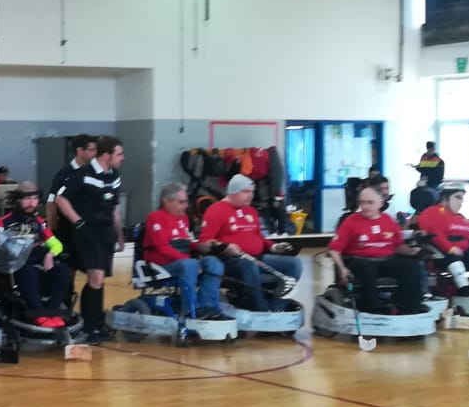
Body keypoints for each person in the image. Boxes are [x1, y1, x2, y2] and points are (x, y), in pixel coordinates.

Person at [50, 133, 125, 343]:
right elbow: (60, 199)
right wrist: (78, 221)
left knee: (99, 281)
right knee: (96, 277)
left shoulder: (114, 176)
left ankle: (96, 323)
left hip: (106, 232)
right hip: (87, 232)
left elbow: (115, 208)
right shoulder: (82, 174)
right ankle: (88, 325)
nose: (122, 158)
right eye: (119, 154)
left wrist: (120, 235)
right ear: (107, 155)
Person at [198, 174, 302, 312]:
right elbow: (204, 243)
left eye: (252, 192)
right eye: (246, 192)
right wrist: (224, 247)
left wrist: (274, 246)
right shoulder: (215, 210)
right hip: (231, 261)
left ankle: (277, 307)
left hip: (256, 258)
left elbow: (259, 237)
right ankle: (261, 308)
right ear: (233, 192)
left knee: (295, 264)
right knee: (249, 265)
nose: (251, 196)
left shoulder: (251, 211)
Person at [328, 186, 424, 314]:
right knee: (366, 268)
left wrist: (413, 252)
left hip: (385, 261)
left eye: (370, 202)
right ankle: (372, 308)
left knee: (412, 267)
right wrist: (342, 269)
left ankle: (407, 308)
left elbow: (398, 246)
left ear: (381, 203)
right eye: (362, 202)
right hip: (359, 261)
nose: (365, 206)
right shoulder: (351, 221)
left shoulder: (387, 220)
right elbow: (334, 249)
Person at [142, 183, 226, 320]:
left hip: (184, 263)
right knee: (190, 265)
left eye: (186, 202)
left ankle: (208, 305)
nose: (186, 206)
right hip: (162, 266)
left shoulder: (184, 218)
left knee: (214, 263)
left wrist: (200, 246)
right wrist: (187, 260)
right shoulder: (155, 218)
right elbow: (162, 247)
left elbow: (186, 242)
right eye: (181, 202)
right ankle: (191, 309)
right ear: (166, 201)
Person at [0, 181, 66, 323]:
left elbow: (56, 244)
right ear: (18, 199)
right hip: (15, 265)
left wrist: (50, 254)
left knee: (61, 270)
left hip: (37, 260)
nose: (32, 203)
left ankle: (52, 311)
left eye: (34, 198)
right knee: (27, 271)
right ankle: (38, 313)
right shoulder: (2, 223)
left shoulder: (38, 222)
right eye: (27, 199)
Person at [416, 185, 469, 295]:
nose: (461, 202)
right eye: (458, 197)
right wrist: (450, 248)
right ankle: (464, 291)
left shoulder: (460, 217)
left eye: (462, 198)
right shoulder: (432, 212)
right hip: (443, 252)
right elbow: (435, 234)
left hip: (463, 250)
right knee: (456, 264)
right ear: (445, 198)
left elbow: (467, 234)